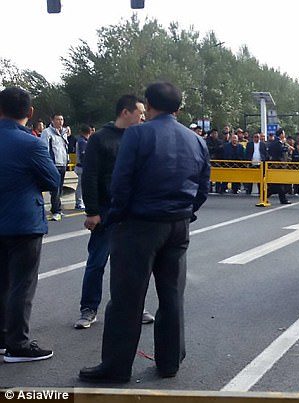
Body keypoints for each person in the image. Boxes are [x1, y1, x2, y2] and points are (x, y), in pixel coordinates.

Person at [79, 82, 210, 383]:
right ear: (178, 108)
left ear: (148, 105)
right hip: (178, 225)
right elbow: (203, 187)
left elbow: (121, 183)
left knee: (127, 299)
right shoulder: (195, 140)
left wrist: (118, 216)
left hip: (139, 224)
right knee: (172, 295)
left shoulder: (137, 134)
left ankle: (116, 367)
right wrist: (187, 212)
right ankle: (170, 362)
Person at [74, 95, 155, 330]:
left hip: (133, 210)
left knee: (133, 264)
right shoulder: (101, 138)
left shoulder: (140, 137)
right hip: (107, 210)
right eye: (140, 112)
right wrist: (92, 211)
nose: (143, 117)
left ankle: (134, 307)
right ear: (125, 112)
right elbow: (90, 177)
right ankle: (88, 309)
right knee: (97, 261)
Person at [0, 87, 60, 363]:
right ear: (30, 112)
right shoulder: (32, 143)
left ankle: (3, 338)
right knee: (21, 286)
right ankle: (17, 344)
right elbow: (52, 181)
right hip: (24, 223)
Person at [40, 113, 70, 221]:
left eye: (62, 119)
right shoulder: (47, 133)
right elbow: (45, 149)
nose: (60, 122)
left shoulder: (63, 133)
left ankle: (58, 208)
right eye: (57, 119)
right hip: (54, 164)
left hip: (62, 163)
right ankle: (55, 211)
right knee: (55, 188)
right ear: (52, 120)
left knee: (60, 188)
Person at [266, 128, 292, 204]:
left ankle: (266, 195)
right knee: (279, 184)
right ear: (281, 134)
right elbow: (280, 150)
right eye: (283, 133)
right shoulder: (276, 142)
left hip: (281, 165)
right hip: (277, 165)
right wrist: (287, 148)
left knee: (277, 184)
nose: (284, 135)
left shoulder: (280, 142)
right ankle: (282, 199)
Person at [74, 125, 92, 210]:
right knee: (81, 186)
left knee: (83, 185)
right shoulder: (82, 142)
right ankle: (79, 202)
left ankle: (81, 201)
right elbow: (83, 155)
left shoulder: (83, 141)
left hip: (81, 166)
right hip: (82, 167)